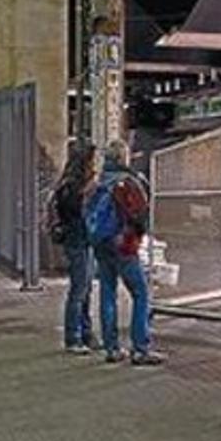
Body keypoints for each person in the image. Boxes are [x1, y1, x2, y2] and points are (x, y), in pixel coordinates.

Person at [86, 139, 163, 366]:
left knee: (107, 292)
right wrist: (137, 235)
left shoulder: (98, 182)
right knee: (141, 293)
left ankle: (111, 348)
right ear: (123, 157)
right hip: (124, 245)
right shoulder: (128, 182)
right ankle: (140, 348)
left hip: (101, 242)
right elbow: (139, 215)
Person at [50, 138, 97, 354]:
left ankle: (86, 333)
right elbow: (74, 212)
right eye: (92, 159)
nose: (95, 164)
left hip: (83, 240)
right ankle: (73, 338)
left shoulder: (71, 184)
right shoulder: (71, 186)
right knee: (79, 290)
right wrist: (88, 192)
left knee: (85, 289)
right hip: (77, 240)